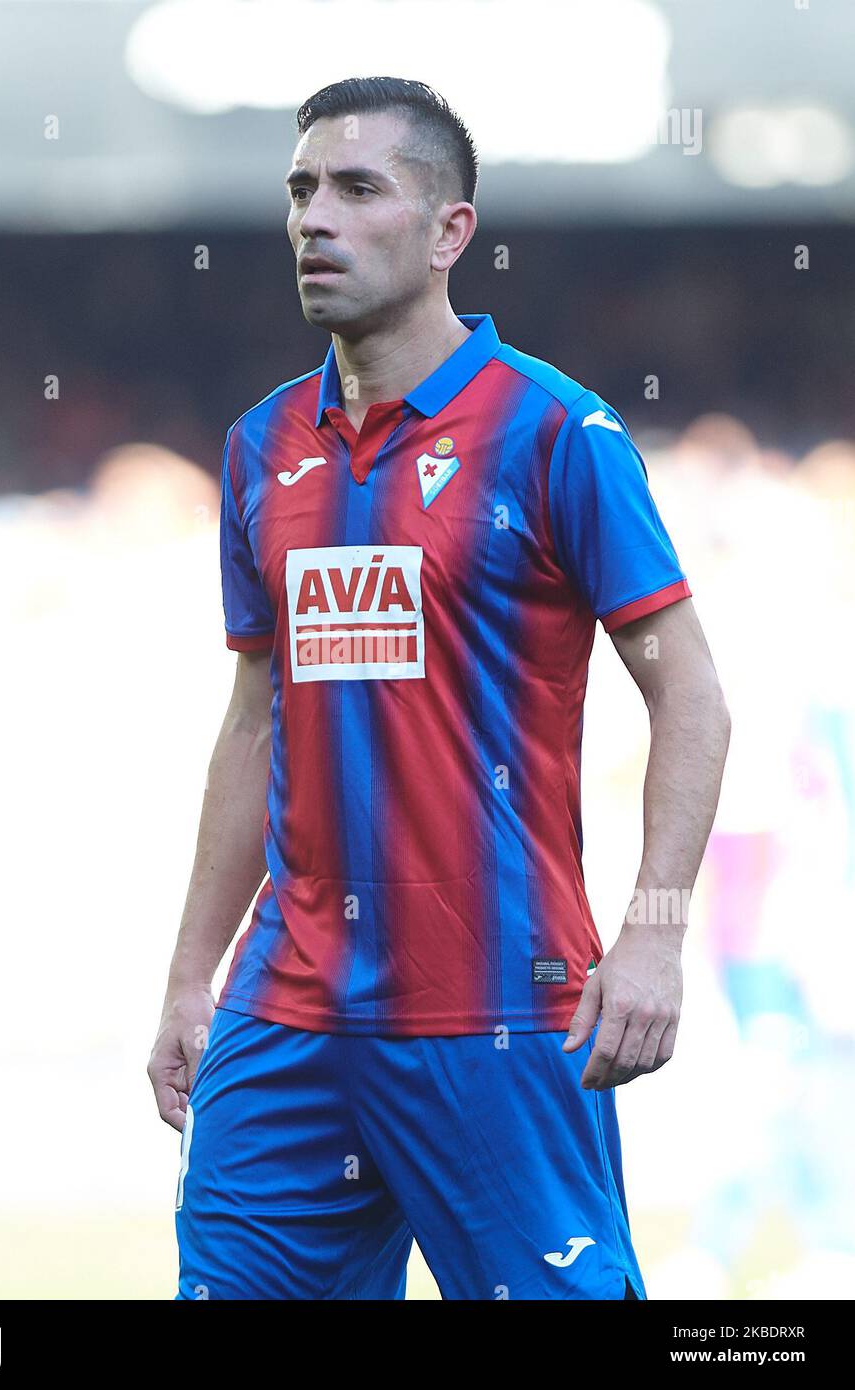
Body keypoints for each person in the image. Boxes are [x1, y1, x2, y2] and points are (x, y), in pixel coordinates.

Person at [148, 76, 731, 1301]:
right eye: (302, 189)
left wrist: (657, 936)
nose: (317, 217)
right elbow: (258, 722)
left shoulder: (557, 435)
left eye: (360, 189)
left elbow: (692, 696)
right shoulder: (263, 446)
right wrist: (192, 973)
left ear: (449, 231)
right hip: (289, 1015)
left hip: (500, 1014)